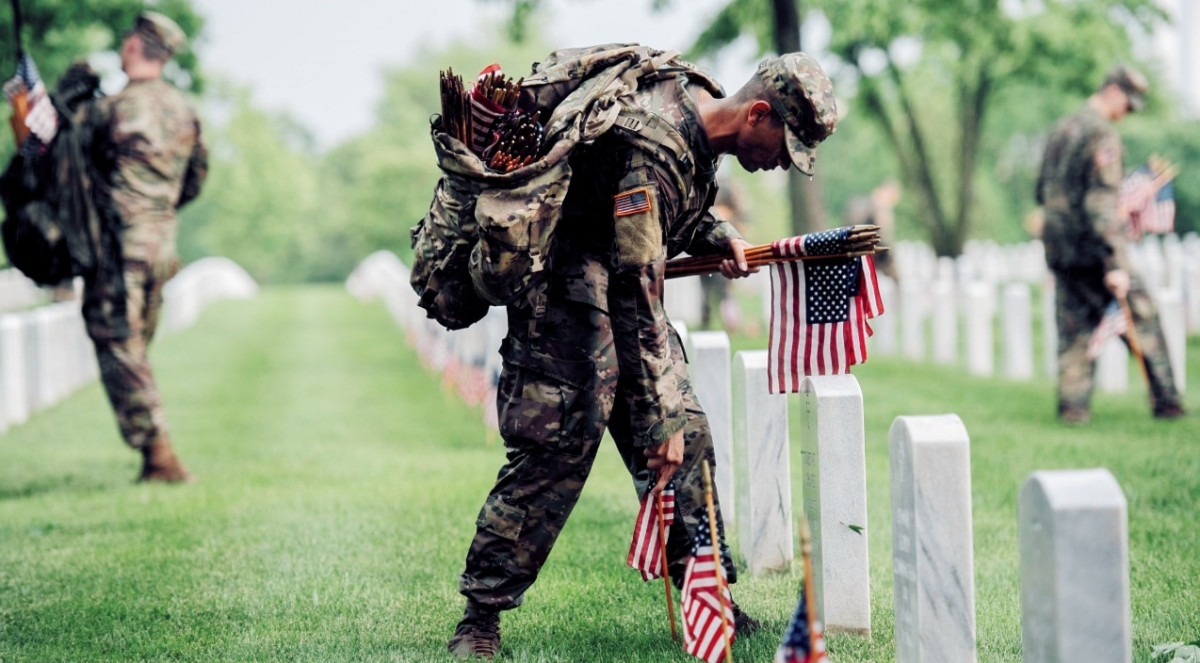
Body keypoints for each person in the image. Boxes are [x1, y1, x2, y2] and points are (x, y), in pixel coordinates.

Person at [447, 48, 838, 659]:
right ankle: (481, 616)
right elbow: (638, 287)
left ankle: (708, 597)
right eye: (784, 146)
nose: (781, 164)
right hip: (565, 292)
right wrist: (658, 418)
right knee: (558, 448)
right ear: (757, 113)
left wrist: (718, 232)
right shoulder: (654, 143)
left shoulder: (692, 111)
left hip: (620, 283)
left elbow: (664, 219)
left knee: (692, 442)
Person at [80, 12, 208, 481]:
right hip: (161, 248)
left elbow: (77, 172)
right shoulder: (185, 110)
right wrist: (159, 212)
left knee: (118, 341)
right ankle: (153, 455)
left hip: (119, 247)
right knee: (134, 343)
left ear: (134, 47)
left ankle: (160, 453)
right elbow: (195, 179)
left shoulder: (110, 110)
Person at [1035, 64, 1184, 424]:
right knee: (1142, 318)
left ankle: (1073, 410)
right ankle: (1168, 403)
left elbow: (1040, 190)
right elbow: (1100, 204)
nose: (1127, 113)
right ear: (1114, 91)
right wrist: (1116, 263)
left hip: (1060, 248)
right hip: (1095, 249)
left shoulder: (1061, 129)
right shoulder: (1102, 135)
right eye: (1128, 105)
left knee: (1074, 332)